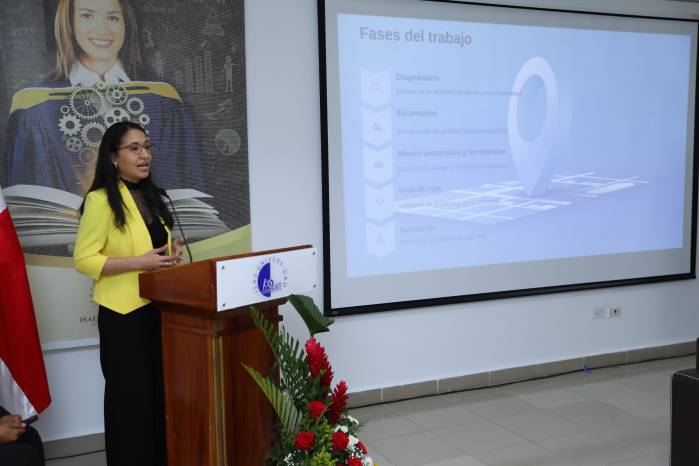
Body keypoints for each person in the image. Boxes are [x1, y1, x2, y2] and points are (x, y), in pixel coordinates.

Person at [3, 0, 202, 200]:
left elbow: (180, 188)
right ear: (69, 23)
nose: (101, 29)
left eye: (113, 18)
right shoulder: (37, 108)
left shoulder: (162, 102)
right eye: (87, 16)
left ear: (126, 24)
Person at [73, 121, 184, 466]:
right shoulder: (100, 201)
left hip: (159, 313)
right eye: (134, 148)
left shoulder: (153, 196)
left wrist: (169, 253)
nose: (144, 154)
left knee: (158, 401)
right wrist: (141, 262)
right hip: (123, 318)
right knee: (130, 405)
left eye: (147, 147)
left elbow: (150, 249)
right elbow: (84, 260)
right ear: (113, 157)